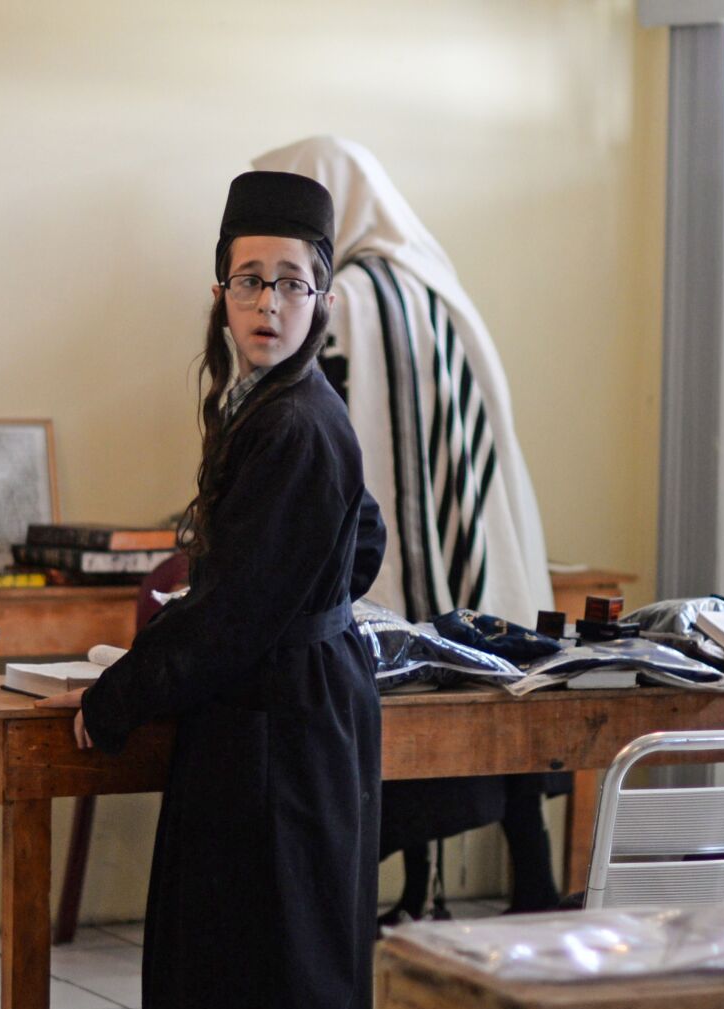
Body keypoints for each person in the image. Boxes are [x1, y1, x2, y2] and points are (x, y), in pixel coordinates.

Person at [39, 171, 386, 1009]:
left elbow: (231, 616)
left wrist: (123, 691)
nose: (268, 304)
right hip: (298, 699)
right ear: (219, 289)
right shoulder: (281, 406)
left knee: (235, 936)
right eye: (250, 281)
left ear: (321, 296)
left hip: (274, 709)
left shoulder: (291, 423)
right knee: (282, 933)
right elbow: (360, 541)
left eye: (292, 283)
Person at [252, 138, 566, 919]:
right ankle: (476, 885)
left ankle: (394, 894)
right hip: (481, 540)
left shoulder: (348, 297)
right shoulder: (433, 281)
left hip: (391, 545)